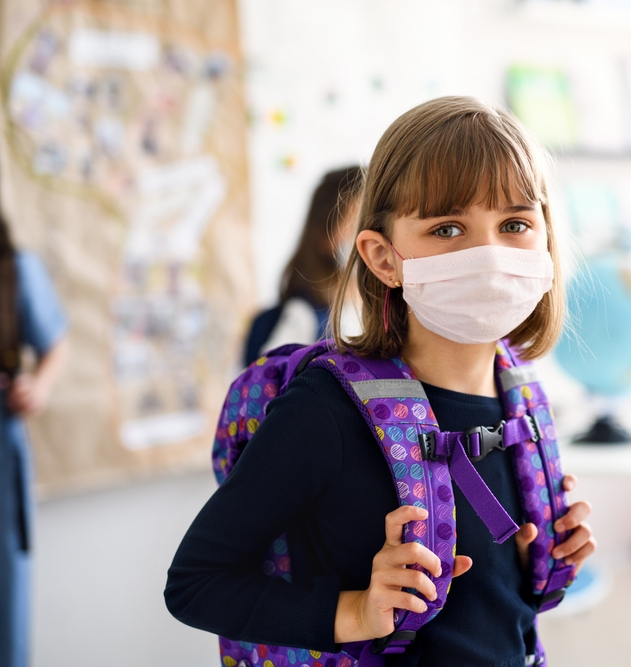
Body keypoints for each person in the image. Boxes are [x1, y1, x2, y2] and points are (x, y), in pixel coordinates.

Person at [165, 96, 596, 665]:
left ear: (546, 240)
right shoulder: (325, 411)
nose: (489, 253)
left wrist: (534, 559)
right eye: (447, 228)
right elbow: (196, 583)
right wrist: (356, 612)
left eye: (514, 223)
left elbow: (496, 612)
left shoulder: (523, 394)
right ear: (383, 257)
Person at [0, 216, 68, 667]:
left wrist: (37, 388)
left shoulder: (16, 268)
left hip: (2, 449)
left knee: (6, 597)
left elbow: (55, 345)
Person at [242, 165, 363, 367]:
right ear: (325, 236)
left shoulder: (348, 322)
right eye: (357, 225)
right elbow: (270, 386)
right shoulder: (304, 317)